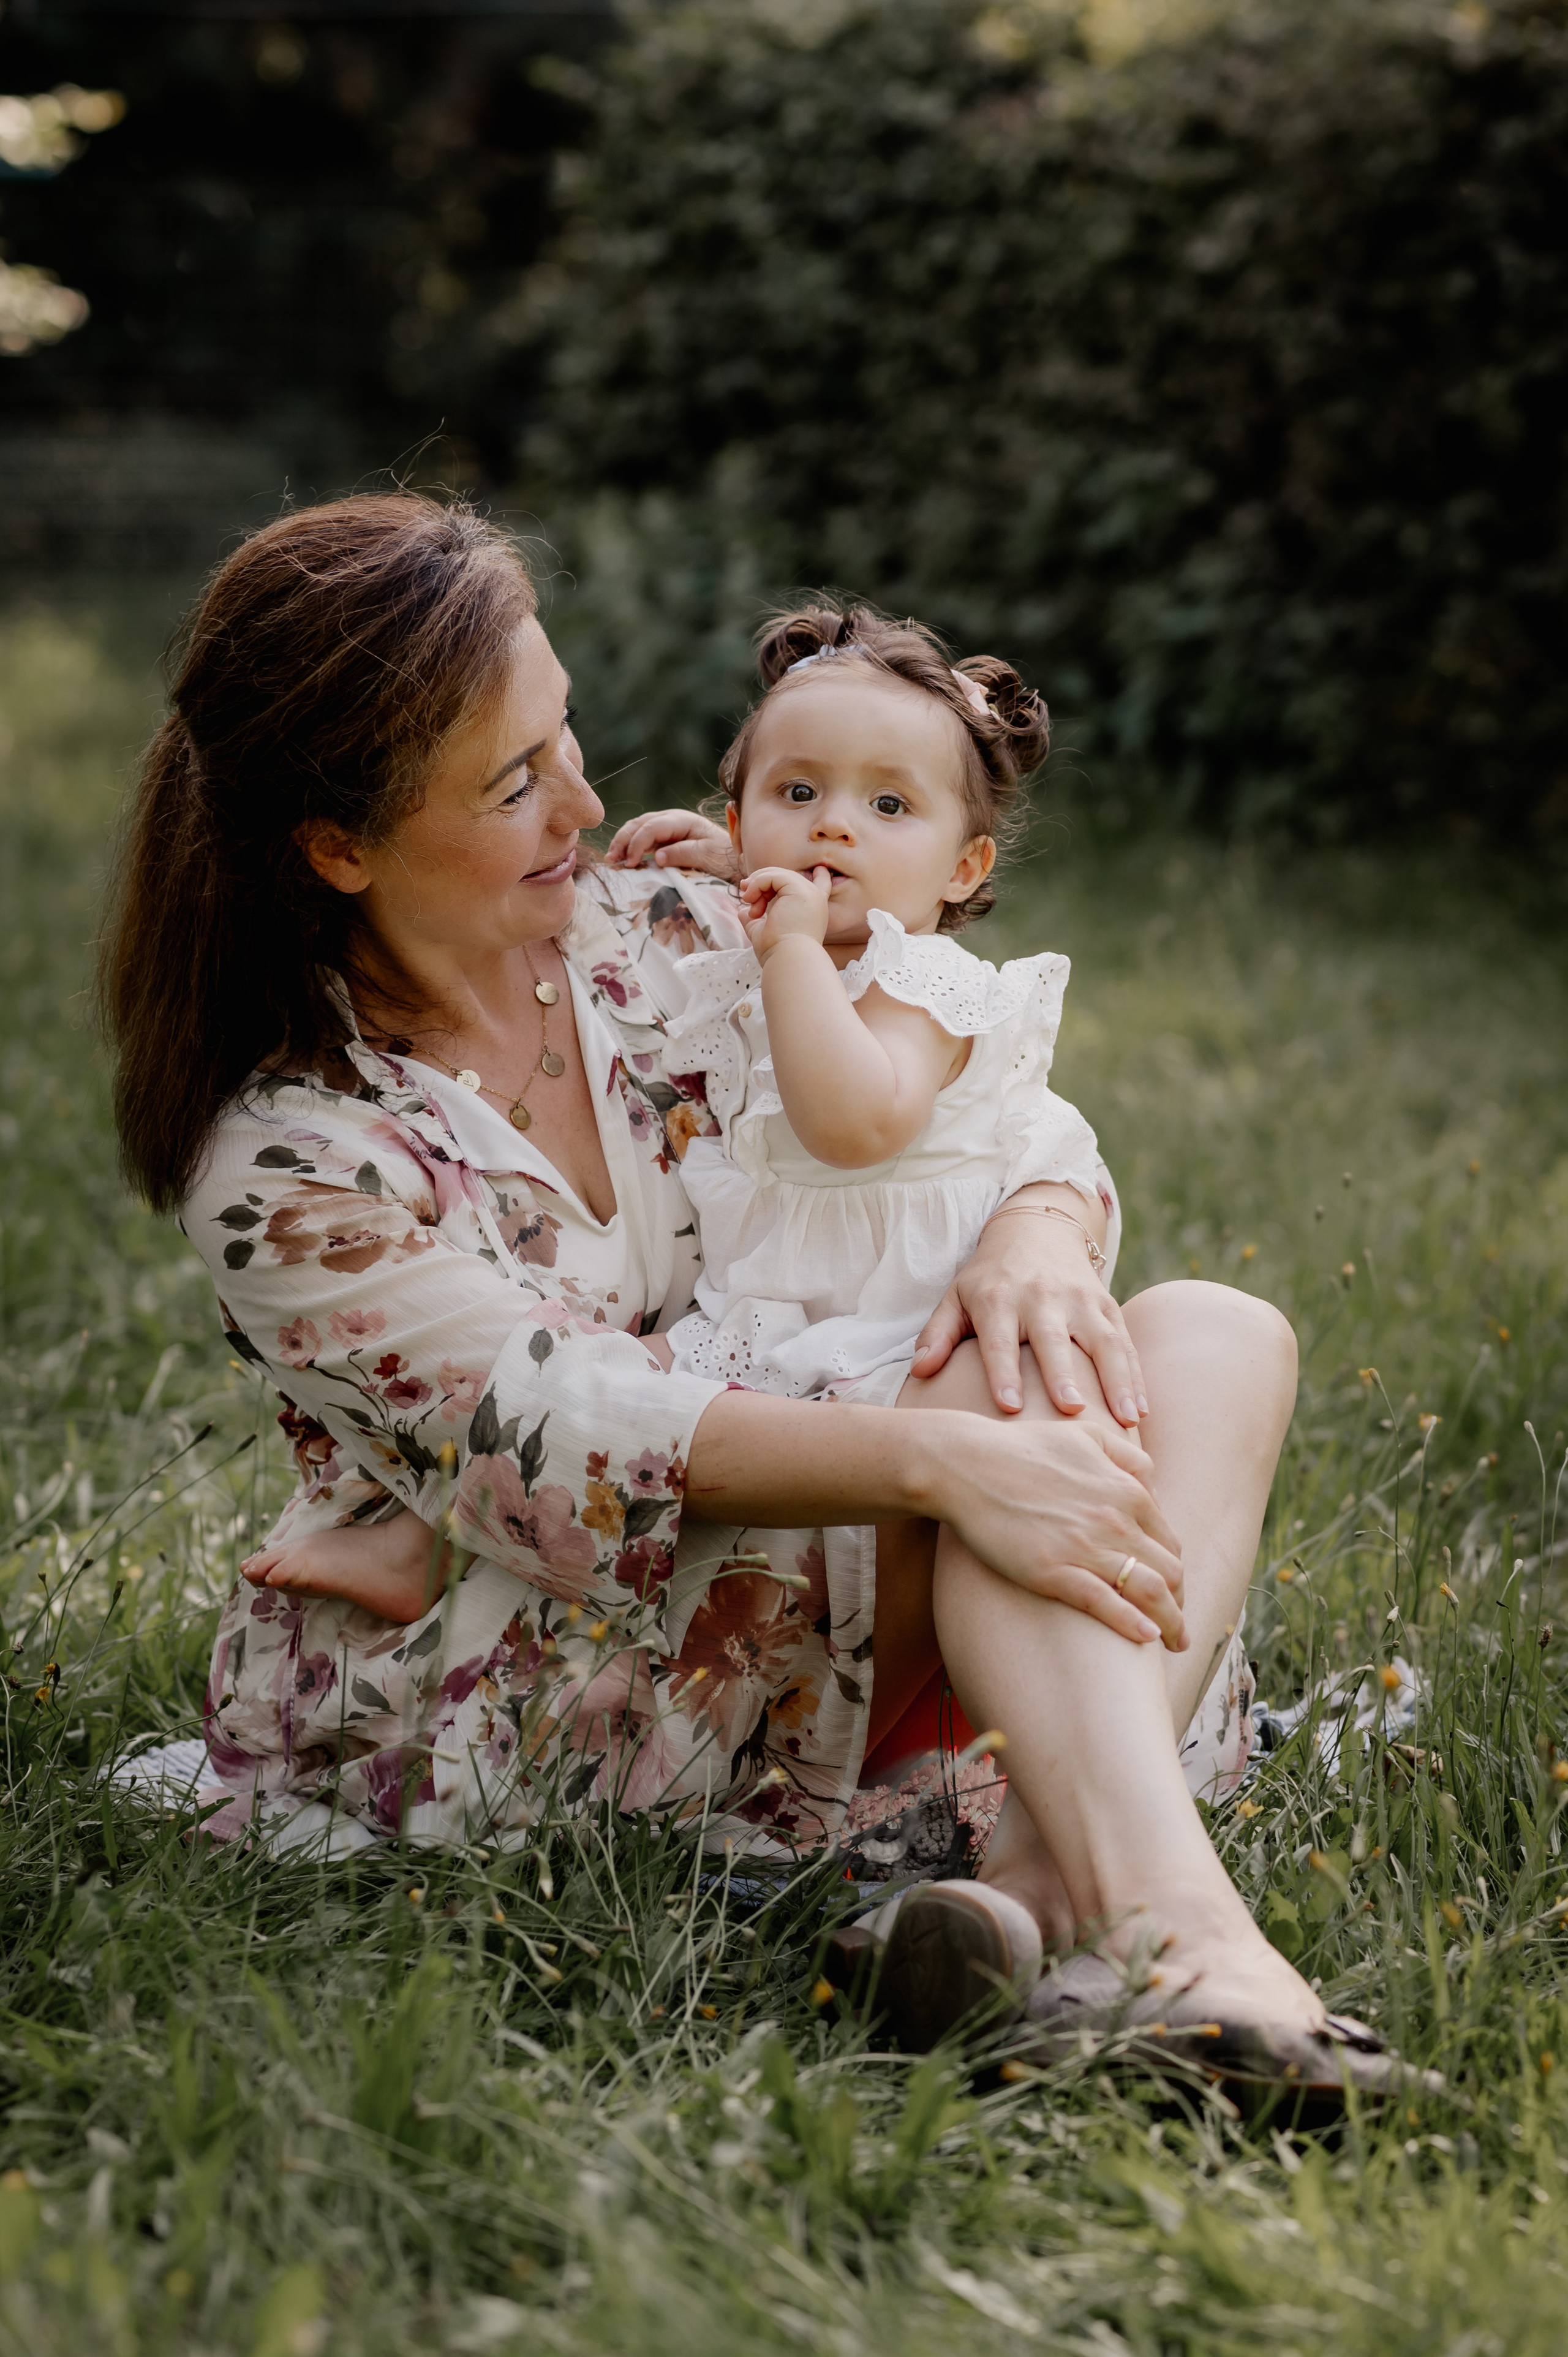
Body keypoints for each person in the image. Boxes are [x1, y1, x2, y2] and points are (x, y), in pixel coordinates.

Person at [97, 491, 1398, 2095]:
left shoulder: (655, 939)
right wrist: (940, 1455)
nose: (586, 800)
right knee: (999, 1406)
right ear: (340, 846)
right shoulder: (297, 1162)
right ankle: (1191, 1944)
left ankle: (1043, 1901)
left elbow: (974, 1105)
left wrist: (1041, 1232)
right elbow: (562, 1431)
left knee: (1214, 1329)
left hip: (816, 1555)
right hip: (538, 1662)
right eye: (517, 781)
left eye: (566, 734)